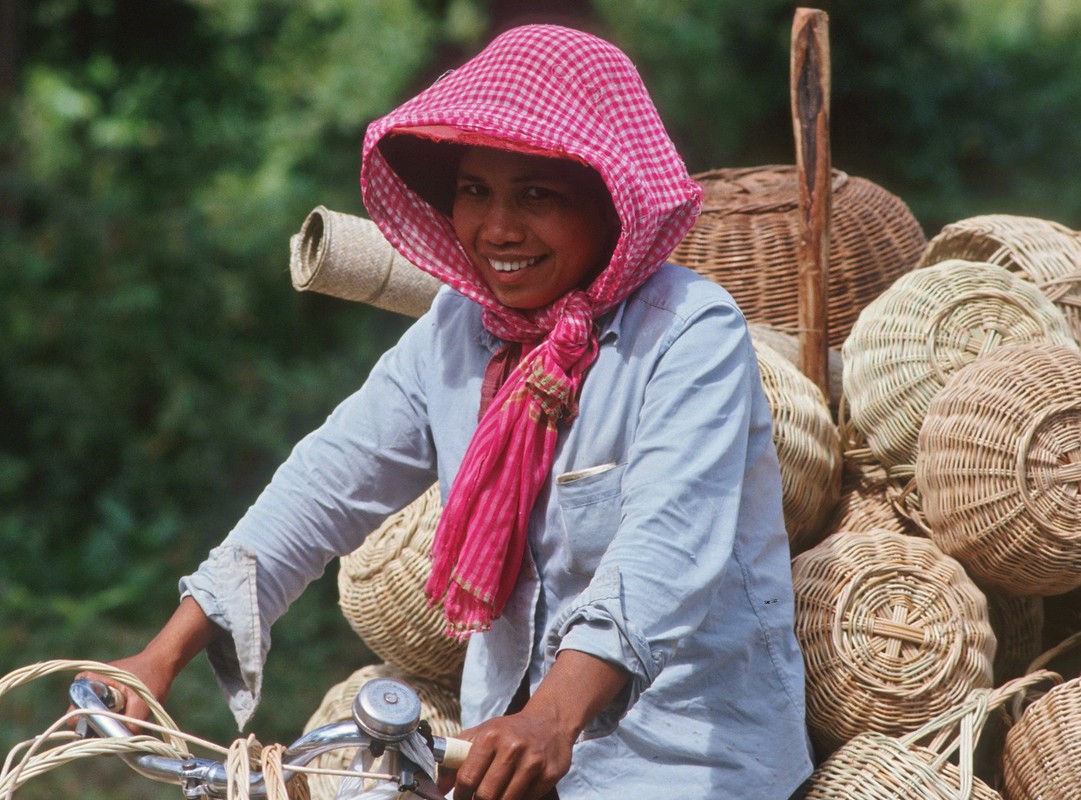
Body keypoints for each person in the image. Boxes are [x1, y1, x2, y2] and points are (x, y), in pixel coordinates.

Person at [86, 24, 814, 800]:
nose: (497, 229)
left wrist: (552, 718)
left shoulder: (689, 333)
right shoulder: (459, 331)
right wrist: (161, 656)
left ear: (612, 207)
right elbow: (324, 485)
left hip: (682, 765)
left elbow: (663, 553)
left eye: (538, 195)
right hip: (495, 757)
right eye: (475, 191)